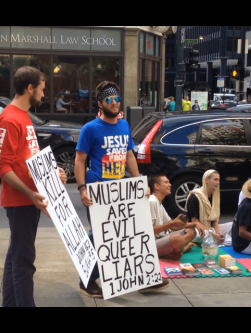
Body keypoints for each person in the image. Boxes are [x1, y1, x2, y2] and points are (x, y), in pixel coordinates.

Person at [75, 81, 168, 297]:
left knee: (130, 234)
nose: (115, 103)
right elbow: (80, 161)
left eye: (117, 99)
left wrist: (139, 182)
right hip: (98, 190)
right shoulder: (90, 129)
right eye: (109, 99)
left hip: (121, 190)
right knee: (101, 237)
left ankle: (141, 278)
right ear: (100, 103)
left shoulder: (124, 125)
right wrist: (82, 189)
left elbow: (128, 156)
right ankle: (86, 279)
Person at [0, 66, 67, 307]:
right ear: (29, 88)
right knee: (24, 261)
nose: (44, 95)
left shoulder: (23, 116)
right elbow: (3, 168)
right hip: (21, 201)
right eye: (42, 90)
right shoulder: (8, 119)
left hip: (31, 199)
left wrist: (51, 174)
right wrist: (31, 193)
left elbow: (28, 160)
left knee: (16, 257)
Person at [148, 174, 198, 261]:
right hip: (151, 244)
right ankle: (175, 252)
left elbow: (173, 226)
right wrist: (172, 224)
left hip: (162, 238)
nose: (170, 185)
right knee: (177, 238)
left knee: (191, 231)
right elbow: (149, 230)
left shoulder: (159, 202)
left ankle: (172, 252)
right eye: (166, 182)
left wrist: (195, 224)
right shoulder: (152, 201)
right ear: (157, 186)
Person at [185, 170, 232, 245]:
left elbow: (214, 219)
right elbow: (195, 222)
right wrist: (213, 234)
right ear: (206, 180)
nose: (217, 183)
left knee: (232, 225)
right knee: (203, 235)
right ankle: (216, 240)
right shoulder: (194, 197)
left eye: (218, 180)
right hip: (198, 229)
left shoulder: (214, 197)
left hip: (210, 228)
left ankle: (217, 240)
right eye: (215, 179)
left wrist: (218, 232)